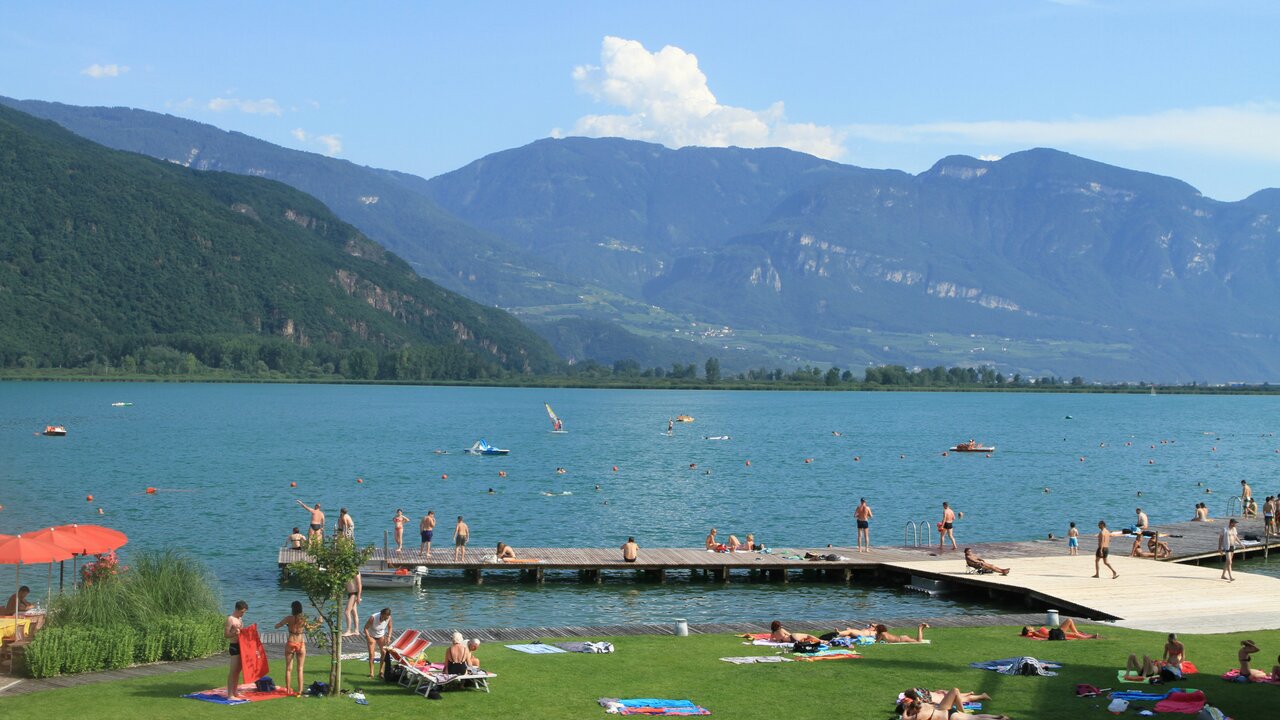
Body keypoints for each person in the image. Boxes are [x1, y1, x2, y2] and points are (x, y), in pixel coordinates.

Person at [273, 600, 313, 695]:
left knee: (288, 669)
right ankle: (299, 690)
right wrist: (319, 623)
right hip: (300, 643)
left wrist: (285, 624)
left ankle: (287, 690)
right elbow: (310, 629)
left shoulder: (288, 618)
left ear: (292, 609)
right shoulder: (303, 619)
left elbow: (277, 626)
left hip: (290, 642)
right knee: (300, 668)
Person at [897, 687, 1010, 719]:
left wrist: (906, 710)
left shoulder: (918, 715)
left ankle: (999, 718)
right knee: (975, 717)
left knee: (974, 718)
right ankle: (998, 717)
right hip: (946, 710)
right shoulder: (920, 705)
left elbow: (905, 718)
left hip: (947, 713)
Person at [225, 600, 248, 700]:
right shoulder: (230, 619)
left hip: (241, 646)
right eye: (242, 611)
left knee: (238, 671)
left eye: (244, 612)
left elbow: (241, 633)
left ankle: (235, 692)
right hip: (234, 646)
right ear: (237, 609)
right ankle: (230, 695)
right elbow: (226, 635)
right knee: (233, 671)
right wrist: (235, 633)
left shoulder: (240, 619)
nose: (243, 613)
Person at [363, 607, 393, 678]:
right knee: (371, 654)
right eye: (384, 618)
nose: (385, 620)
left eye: (387, 618)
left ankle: (381, 672)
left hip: (380, 635)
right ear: (381, 615)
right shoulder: (373, 618)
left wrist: (389, 637)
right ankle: (371, 673)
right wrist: (368, 637)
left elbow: (390, 627)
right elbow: (365, 628)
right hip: (371, 635)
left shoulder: (389, 618)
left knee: (384, 652)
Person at [1020, 619, 1100, 639]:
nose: (1031, 626)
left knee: (1069, 620)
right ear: (1029, 630)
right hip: (1055, 634)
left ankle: (1080, 635)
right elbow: (1044, 637)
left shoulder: (1035, 631)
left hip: (1056, 631)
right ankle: (1091, 637)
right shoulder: (1035, 633)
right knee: (1074, 635)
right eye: (1029, 627)